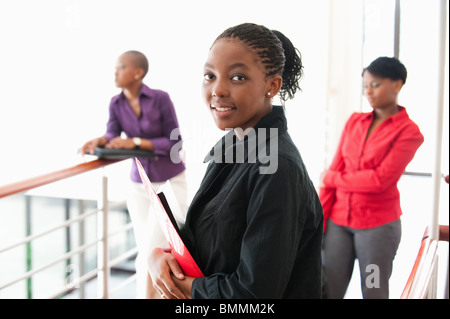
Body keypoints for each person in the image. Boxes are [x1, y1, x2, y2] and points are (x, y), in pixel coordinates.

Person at [147, 23, 323, 299]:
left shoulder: (277, 168)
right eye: (209, 76)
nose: (217, 90)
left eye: (238, 77)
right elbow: (212, 242)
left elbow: (254, 294)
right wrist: (159, 257)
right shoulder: (231, 145)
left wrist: (186, 287)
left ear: (272, 85)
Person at [80, 50, 187, 298]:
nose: (115, 72)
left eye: (121, 67)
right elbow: (112, 135)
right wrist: (100, 141)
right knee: (145, 250)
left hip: (169, 183)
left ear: (137, 73)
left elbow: (175, 143)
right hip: (139, 184)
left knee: (153, 251)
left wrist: (135, 142)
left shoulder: (160, 98)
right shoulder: (115, 104)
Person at [320, 56, 424, 299]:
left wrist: (333, 178)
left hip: (377, 229)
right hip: (339, 223)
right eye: (365, 85)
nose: (368, 91)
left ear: (397, 85)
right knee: (327, 289)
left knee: (374, 289)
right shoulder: (354, 121)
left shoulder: (409, 132)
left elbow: (379, 181)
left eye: (375, 85)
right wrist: (320, 218)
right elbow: (336, 167)